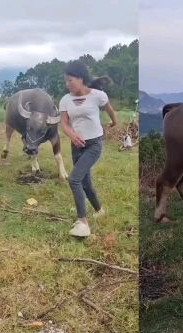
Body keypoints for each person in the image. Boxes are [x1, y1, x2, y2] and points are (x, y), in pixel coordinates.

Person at [59, 61, 117, 237]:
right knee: (85, 182)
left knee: (74, 180)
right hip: (76, 146)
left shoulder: (98, 95)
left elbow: (110, 110)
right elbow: (64, 124)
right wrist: (71, 135)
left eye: (70, 80)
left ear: (80, 78)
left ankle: (82, 222)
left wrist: (114, 123)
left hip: (94, 145)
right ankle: (99, 210)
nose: (67, 84)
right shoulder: (65, 100)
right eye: (66, 81)